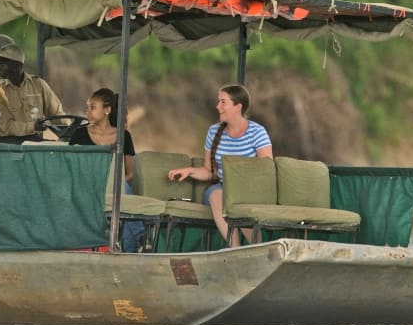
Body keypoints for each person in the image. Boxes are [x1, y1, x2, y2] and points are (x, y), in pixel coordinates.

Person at [167, 84, 273, 246]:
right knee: (217, 195)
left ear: (238, 107)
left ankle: (258, 247)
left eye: (223, 102)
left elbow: (266, 169)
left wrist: (244, 188)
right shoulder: (213, 131)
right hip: (222, 189)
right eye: (218, 101)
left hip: (249, 191)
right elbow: (208, 171)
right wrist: (189, 170)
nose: (218, 106)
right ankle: (234, 249)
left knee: (237, 202)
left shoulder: (257, 132)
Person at [69, 88, 144, 251]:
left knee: (123, 189)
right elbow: (71, 168)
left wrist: (112, 181)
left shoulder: (124, 136)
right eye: (87, 107)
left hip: (115, 186)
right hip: (87, 186)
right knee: (125, 195)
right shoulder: (79, 134)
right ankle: (140, 242)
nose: (87, 111)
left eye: (93, 107)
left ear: (107, 110)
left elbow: (129, 173)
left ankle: (133, 248)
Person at [0, 42, 66, 143]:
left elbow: (57, 114)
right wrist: (33, 126)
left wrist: (67, 133)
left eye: (2, 63)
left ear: (17, 64)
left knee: (54, 149)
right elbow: (4, 126)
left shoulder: (38, 84)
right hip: (7, 144)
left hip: (33, 140)